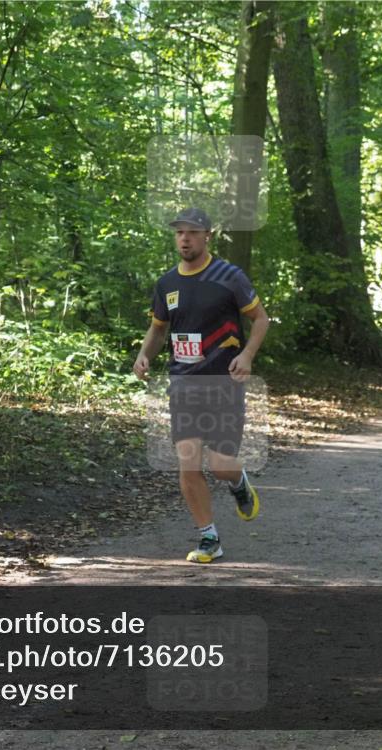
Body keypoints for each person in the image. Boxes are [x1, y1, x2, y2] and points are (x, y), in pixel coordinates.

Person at [134, 208, 271, 563]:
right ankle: (209, 537)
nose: (185, 238)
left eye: (192, 232)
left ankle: (238, 482)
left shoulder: (229, 276)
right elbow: (158, 329)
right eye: (179, 232)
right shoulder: (167, 284)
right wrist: (144, 354)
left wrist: (247, 355)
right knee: (188, 462)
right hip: (183, 385)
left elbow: (260, 319)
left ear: (207, 235)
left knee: (221, 465)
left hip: (224, 383)